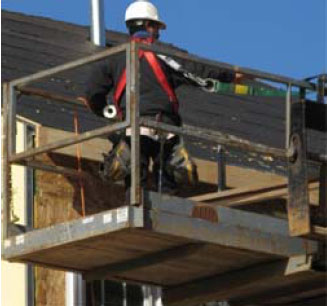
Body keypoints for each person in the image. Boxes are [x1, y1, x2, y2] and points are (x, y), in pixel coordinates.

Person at [84, 0, 239, 199]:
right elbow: (199, 70)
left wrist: (104, 110)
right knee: (166, 181)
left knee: (134, 179)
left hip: (132, 128)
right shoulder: (166, 55)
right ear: (148, 25)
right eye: (156, 27)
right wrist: (231, 76)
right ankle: (165, 206)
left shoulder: (114, 58)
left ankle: (134, 205)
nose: (158, 33)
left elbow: (92, 92)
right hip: (164, 128)